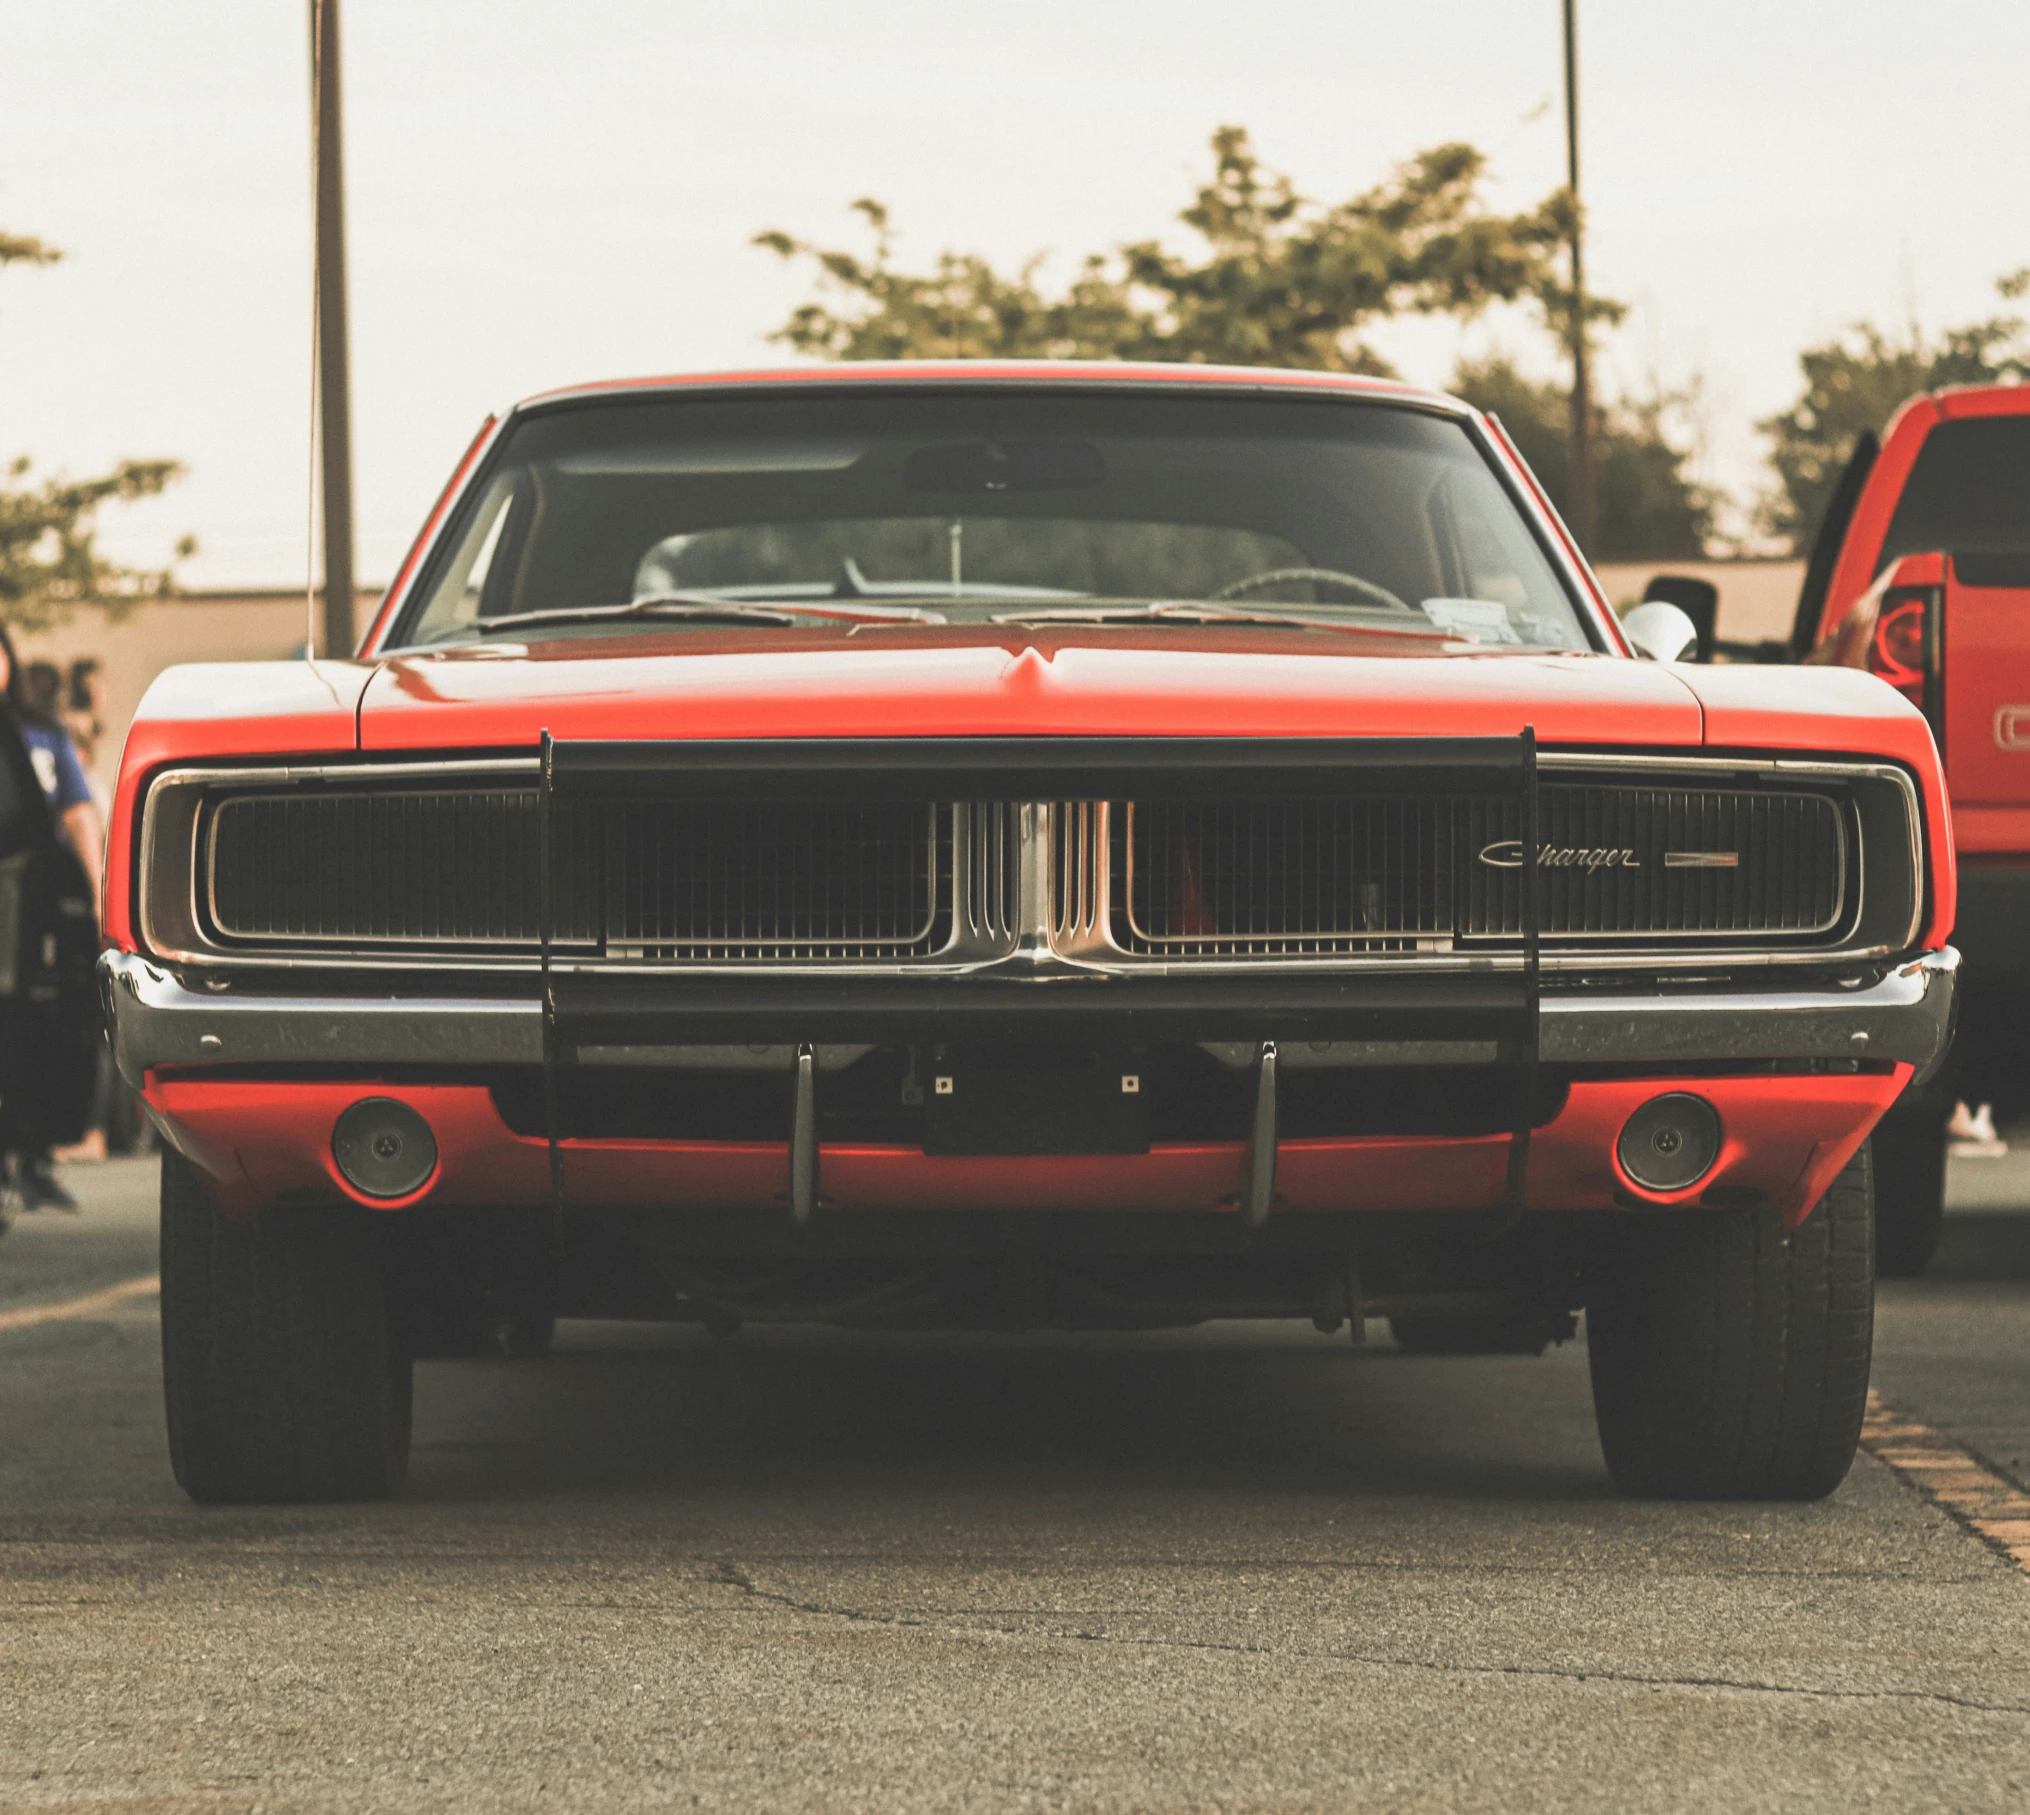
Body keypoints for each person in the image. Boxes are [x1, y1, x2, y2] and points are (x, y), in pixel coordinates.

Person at [0, 624, 101, 1210]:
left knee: (34, 1024)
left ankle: (30, 1156)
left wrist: (93, 890)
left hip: (29, 903)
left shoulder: (38, 735)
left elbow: (79, 812)